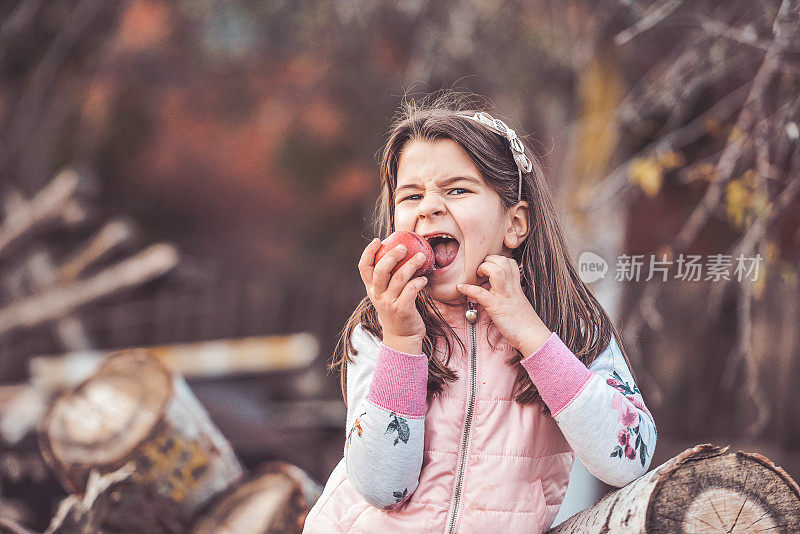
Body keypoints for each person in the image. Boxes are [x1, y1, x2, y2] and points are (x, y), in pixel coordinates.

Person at [303, 93, 657, 534]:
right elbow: (382, 487)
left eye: (457, 189)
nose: (429, 206)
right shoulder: (378, 329)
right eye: (410, 195)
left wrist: (532, 334)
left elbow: (629, 459)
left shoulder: (568, 327)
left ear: (515, 225)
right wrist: (402, 342)